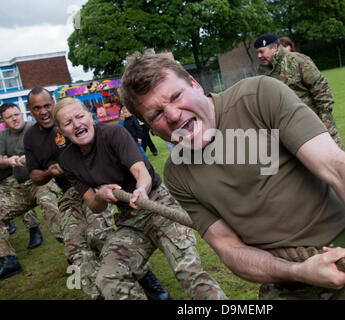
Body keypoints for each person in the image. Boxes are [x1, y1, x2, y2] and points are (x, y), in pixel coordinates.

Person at [118, 51, 345, 300]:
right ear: (147, 127)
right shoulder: (177, 173)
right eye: (157, 114)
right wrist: (297, 271)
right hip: (287, 282)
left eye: (176, 97)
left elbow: (337, 169)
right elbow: (229, 249)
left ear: (194, 83)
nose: (174, 115)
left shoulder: (259, 96)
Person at [53, 98, 227, 300]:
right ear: (61, 131)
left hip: (156, 204)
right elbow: (93, 204)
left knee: (189, 271)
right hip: (129, 219)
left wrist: (141, 190)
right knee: (109, 278)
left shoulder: (113, 134)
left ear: (90, 116)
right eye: (67, 123)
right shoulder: (67, 161)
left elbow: (140, 170)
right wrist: (100, 195)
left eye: (80, 116)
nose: (77, 124)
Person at [24, 87, 170, 300]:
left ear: (53, 103)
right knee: (74, 247)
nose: (44, 111)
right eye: (37, 108)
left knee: (100, 236)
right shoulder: (31, 137)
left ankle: (149, 282)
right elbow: (33, 175)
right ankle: (100, 294)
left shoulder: (78, 122)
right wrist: (50, 171)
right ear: (31, 111)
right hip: (70, 192)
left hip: (98, 186)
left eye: (47, 105)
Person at [0, 103, 62, 280]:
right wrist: (8, 161)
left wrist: (31, 158)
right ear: (3, 121)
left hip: (43, 181)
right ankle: (8, 260)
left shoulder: (34, 129)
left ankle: (75, 250)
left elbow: (54, 150)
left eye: (16, 114)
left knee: (50, 208)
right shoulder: (3, 136)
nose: (15, 118)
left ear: (22, 114)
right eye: (9, 117)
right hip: (20, 187)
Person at [254, 33, 344, 149]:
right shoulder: (263, 72)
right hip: (291, 129)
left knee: (333, 159)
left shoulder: (298, 61)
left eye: (262, 51)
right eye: (257, 53)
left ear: (274, 48)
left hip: (315, 122)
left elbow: (322, 90)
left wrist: (325, 121)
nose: (259, 56)